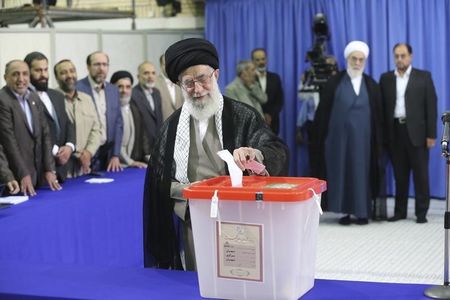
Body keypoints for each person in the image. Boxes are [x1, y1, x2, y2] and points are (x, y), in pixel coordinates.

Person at [143, 38, 289, 271]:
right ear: (179, 85)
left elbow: (275, 149)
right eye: (188, 83)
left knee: (242, 279)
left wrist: (254, 154)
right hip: (194, 218)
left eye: (202, 79)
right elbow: (158, 181)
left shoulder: (242, 116)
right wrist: (193, 192)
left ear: (216, 75)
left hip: (240, 217)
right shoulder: (170, 128)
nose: (197, 89)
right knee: (200, 280)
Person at [311, 41, 383, 225]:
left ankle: (362, 212)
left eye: (361, 59)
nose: (357, 62)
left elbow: (378, 116)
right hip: (338, 141)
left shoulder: (371, 85)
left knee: (361, 174)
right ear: (347, 59)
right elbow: (322, 114)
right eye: (354, 59)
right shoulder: (334, 83)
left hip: (364, 141)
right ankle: (344, 212)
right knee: (341, 172)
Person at [379, 43, 437, 224]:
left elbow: (431, 107)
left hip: (418, 134)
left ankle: (421, 213)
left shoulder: (423, 77)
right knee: (399, 175)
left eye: (403, 55)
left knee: (421, 175)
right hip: (395, 132)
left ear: (410, 56)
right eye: (396, 56)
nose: (399, 59)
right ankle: (400, 211)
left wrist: (431, 135)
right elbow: (381, 109)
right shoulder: (386, 78)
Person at [0, 60, 61, 196]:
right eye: (15, 74)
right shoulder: (2, 100)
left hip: (39, 178)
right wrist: (23, 173)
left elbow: (45, 134)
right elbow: (9, 142)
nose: (21, 79)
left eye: (25, 74)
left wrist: (50, 169)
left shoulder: (33, 96)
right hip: (17, 180)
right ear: (5, 78)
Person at [24, 52, 75, 182]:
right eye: (38, 70)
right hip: (40, 171)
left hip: (62, 170)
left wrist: (69, 147)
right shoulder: (24, 99)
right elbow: (30, 133)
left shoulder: (57, 95)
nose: (43, 75)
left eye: (45, 69)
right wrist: (55, 151)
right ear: (27, 72)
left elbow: (68, 124)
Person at [76, 51, 123, 172]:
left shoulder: (113, 90)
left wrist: (115, 154)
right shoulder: (77, 88)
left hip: (107, 155)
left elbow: (118, 123)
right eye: (97, 64)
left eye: (104, 64)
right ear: (88, 66)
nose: (101, 68)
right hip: (84, 155)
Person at [54, 59, 102, 177]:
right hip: (62, 169)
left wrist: (88, 152)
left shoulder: (87, 99)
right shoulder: (52, 99)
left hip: (84, 168)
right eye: (64, 72)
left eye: (72, 71)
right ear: (56, 77)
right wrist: (77, 154)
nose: (69, 75)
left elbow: (96, 130)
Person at [110, 70, 149, 168]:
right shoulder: (108, 112)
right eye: (120, 87)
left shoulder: (135, 109)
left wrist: (148, 156)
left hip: (132, 164)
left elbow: (142, 136)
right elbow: (115, 142)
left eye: (128, 87)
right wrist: (130, 162)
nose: (124, 91)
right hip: (115, 165)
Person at [132, 61, 163, 151]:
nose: (150, 76)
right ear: (138, 77)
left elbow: (159, 120)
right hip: (141, 148)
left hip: (157, 146)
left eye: (153, 73)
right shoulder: (133, 94)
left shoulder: (157, 93)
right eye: (146, 73)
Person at [251, 48, 284, 134]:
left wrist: (270, 115)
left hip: (272, 123)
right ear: (252, 61)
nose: (261, 62)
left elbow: (279, 101)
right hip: (253, 124)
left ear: (266, 59)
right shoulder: (249, 79)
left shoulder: (275, 78)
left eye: (263, 59)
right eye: (257, 60)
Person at [155, 54, 184, 121]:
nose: (169, 67)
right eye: (166, 64)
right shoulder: (154, 84)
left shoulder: (180, 82)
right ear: (161, 65)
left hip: (179, 126)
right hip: (163, 127)